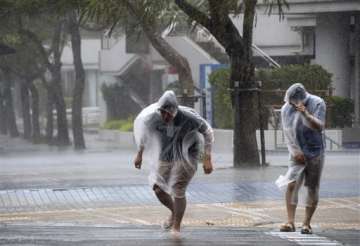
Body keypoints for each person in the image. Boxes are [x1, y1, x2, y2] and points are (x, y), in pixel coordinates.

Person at [133, 90, 214, 236]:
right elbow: (144, 134)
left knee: (178, 188)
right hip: (166, 156)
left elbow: (208, 132)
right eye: (162, 112)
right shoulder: (153, 118)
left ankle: (176, 226)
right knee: (158, 188)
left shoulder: (188, 117)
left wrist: (207, 158)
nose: (165, 116)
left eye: (168, 113)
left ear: (175, 111)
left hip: (189, 155)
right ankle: (174, 212)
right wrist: (139, 154)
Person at [276, 83, 326, 234]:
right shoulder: (286, 108)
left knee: (311, 186)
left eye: (293, 101)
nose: (291, 104)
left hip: (315, 151)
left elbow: (319, 126)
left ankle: (306, 223)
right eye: (289, 101)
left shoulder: (317, 103)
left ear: (302, 98)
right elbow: (287, 131)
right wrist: (295, 151)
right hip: (296, 153)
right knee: (291, 184)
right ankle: (290, 221)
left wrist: (306, 114)